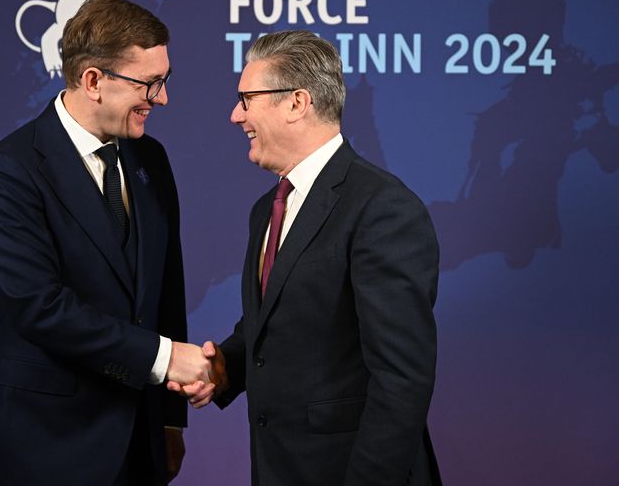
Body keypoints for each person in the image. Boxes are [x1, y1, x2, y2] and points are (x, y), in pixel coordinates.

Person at [0, 0, 214, 486]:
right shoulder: (9, 171)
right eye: (150, 83)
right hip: (41, 442)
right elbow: (37, 305)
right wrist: (163, 358)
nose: (162, 99)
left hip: (138, 439)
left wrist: (169, 418)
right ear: (93, 80)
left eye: (165, 80)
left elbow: (165, 288)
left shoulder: (149, 159)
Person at [171, 31, 442, 485]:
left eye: (246, 99)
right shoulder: (268, 208)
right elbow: (279, 322)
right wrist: (222, 370)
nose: (236, 114)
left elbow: (401, 382)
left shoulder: (382, 208)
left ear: (297, 102)